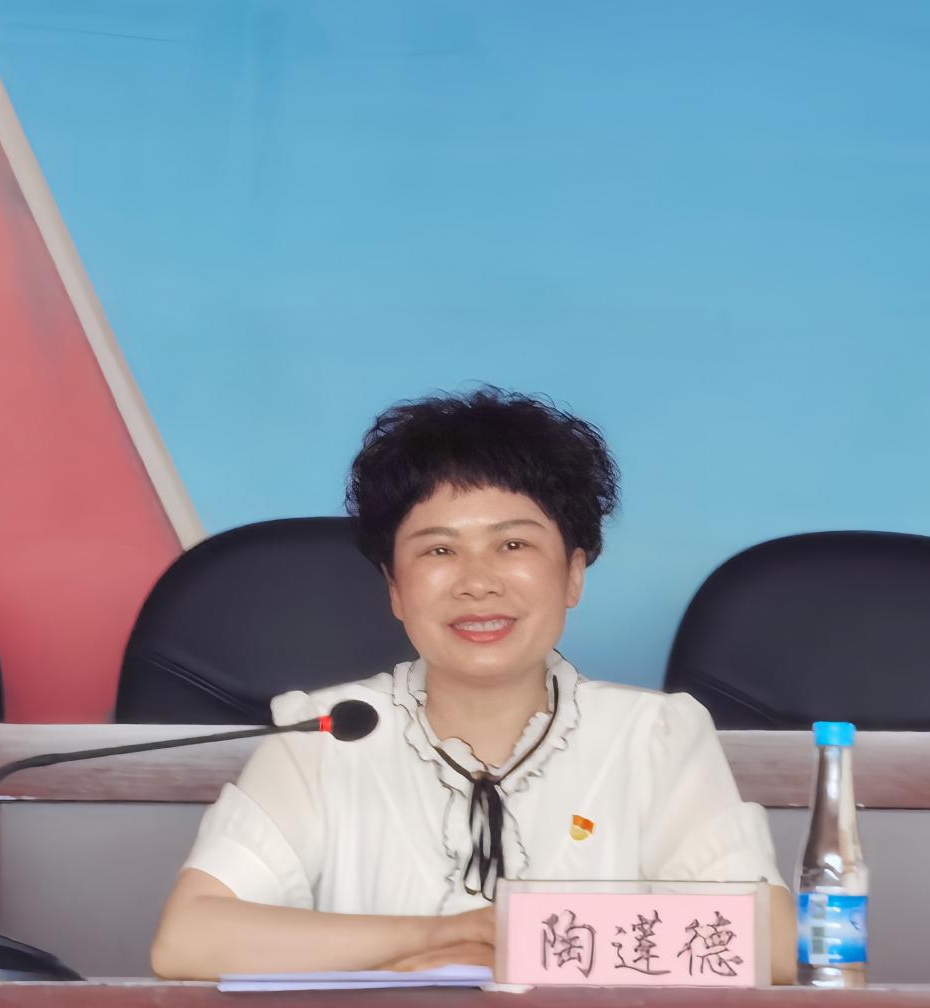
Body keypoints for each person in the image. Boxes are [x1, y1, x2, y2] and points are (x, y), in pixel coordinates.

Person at [151, 387, 794, 980]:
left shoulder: (654, 737)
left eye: (513, 546)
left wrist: (520, 941)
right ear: (394, 588)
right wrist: (441, 937)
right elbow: (189, 940)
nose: (477, 582)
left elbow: (770, 944)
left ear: (573, 574)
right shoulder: (323, 735)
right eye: (438, 550)